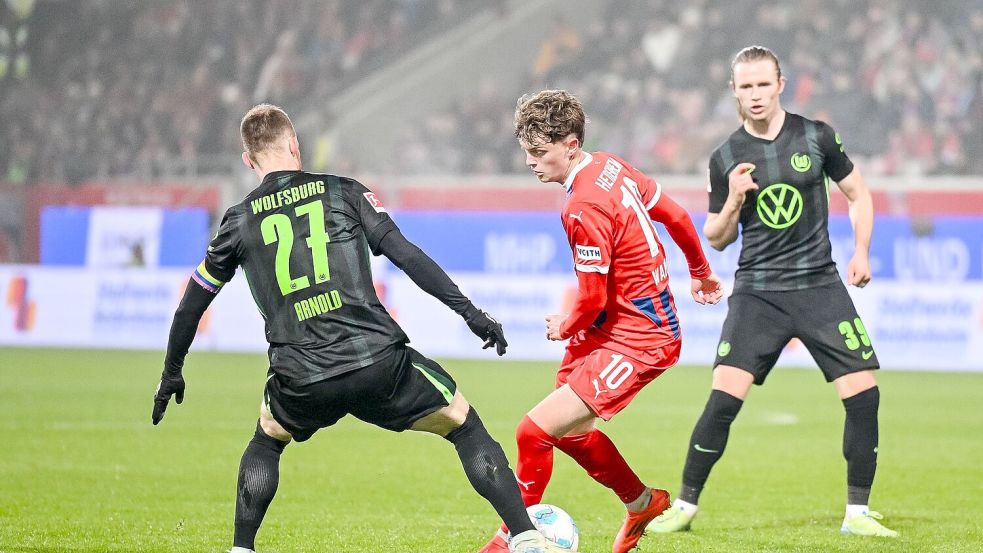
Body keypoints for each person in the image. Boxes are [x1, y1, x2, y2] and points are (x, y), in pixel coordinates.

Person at [151, 104, 577, 553]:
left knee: (268, 438)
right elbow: (407, 256)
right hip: (376, 362)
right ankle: (527, 539)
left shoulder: (238, 222)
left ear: (248, 161)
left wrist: (172, 371)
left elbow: (191, 305)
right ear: (295, 145)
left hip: (301, 377)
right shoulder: (344, 193)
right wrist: (471, 313)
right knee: (464, 425)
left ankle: (241, 549)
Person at [647, 45, 897, 538]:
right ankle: (684, 506)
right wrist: (736, 198)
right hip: (758, 292)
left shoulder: (817, 136)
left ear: (781, 83)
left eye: (764, 84)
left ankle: (857, 514)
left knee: (864, 397)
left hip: (819, 286)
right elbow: (716, 237)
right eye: (746, 86)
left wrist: (862, 251)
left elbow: (858, 193)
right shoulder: (726, 157)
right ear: (734, 91)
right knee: (722, 402)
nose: (756, 95)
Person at [479, 90, 724, 553]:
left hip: (639, 338)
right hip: (611, 329)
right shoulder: (609, 166)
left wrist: (565, 326)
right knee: (566, 433)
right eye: (526, 151)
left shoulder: (582, 206)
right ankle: (642, 503)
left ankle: (511, 538)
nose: (531, 162)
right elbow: (672, 214)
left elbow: (590, 300)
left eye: (539, 152)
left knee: (533, 431)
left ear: (570, 143)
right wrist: (701, 272)